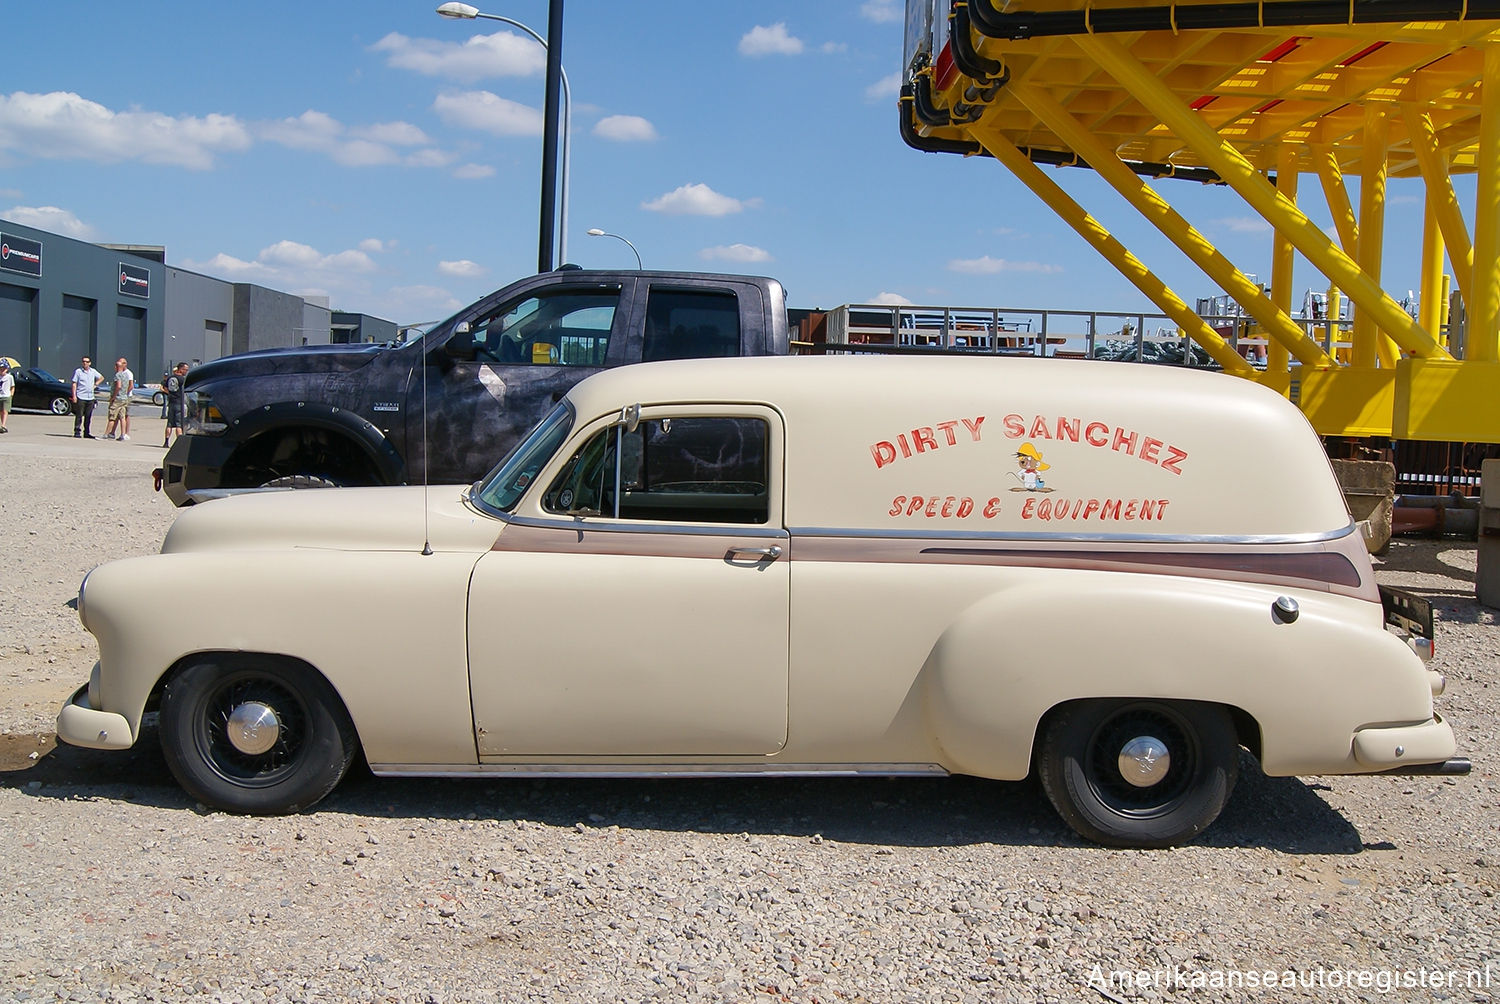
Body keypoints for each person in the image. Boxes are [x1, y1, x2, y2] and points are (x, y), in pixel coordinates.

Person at [71, 356, 105, 438]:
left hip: (90, 397)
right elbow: (74, 383)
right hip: (81, 396)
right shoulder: (78, 372)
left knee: (88, 416)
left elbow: (101, 378)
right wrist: (74, 396)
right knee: (79, 415)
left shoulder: (92, 371)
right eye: (83, 361)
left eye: (87, 362)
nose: (85, 363)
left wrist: (95, 384)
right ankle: (77, 431)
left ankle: (86, 432)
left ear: (90, 363)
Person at [103, 357, 135, 441]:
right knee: (122, 417)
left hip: (120, 397)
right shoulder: (125, 375)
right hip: (124, 397)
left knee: (112, 416)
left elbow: (120, 386)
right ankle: (122, 434)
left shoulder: (120, 374)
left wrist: (114, 396)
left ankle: (107, 434)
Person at [162, 362, 188, 447]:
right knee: (179, 424)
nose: (186, 371)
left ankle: (166, 442)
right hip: (179, 402)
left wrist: (171, 394)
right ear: (180, 369)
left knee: (169, 423)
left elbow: (165, 388)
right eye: (185, 369)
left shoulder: (170, 378)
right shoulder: (182, 379)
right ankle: (179, 444)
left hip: (171, 402)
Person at [0, 360, 12, 433]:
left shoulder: (9, 377)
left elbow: (12, 386)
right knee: (0, 411)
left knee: (4, 411)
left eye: (4, 369)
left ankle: (3, 425)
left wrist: (11, 394)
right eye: (1, 368)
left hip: (6, 396)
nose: (2, 370)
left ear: (7, 369)